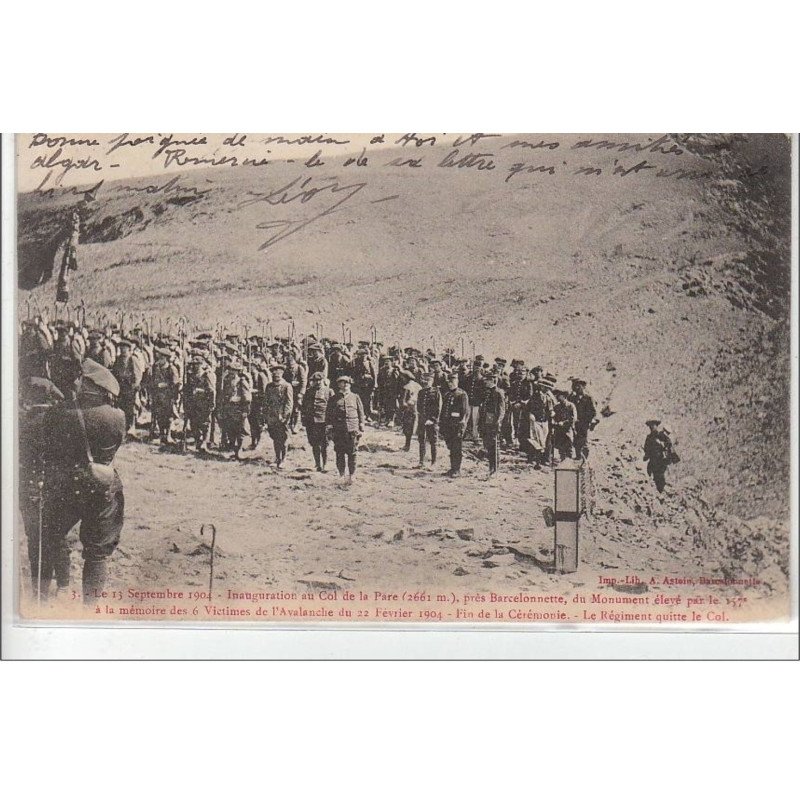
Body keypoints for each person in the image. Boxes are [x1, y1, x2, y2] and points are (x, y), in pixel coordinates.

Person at [39, 359, 127, 603]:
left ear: (89, 386)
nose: (76, 382)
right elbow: (116, 445)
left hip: (66, 485)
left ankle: (60, 589)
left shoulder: (58, 413)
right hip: (102, 485)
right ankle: (91, 609)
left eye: (81, 379)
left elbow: (49, 449)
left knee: (54, 534)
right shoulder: (117, 416)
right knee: (97, 552)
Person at [325, 375, 365, 483]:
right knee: (340, 453)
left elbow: (361, 412)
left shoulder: (355, 397)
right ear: (339, 385)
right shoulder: (334, 399)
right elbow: (328, 414)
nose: (346, 384)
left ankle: (352, 474)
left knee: (352, 452)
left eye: (348, 383)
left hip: (352, 429)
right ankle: (341, 474)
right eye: (343, 382)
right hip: (339, 429)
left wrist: (361, 424)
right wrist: (329, 426)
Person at [263, 364, 294, 469]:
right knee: (275, 438)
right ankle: (277, 458)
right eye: (274, 373)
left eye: (279, 373)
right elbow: (266, 402)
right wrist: (266, 415)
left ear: (282, 373)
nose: (276, 375)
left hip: (282, 416)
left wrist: (285, 416)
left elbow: (289, 403)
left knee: (283, 438)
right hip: (272, 416)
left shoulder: (287, 386)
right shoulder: (269, 386)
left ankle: (283, 459)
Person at [301, 372, 333, 472]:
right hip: (311, 421)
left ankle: (325, 464)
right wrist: (304, 419)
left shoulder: (329, 391)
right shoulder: (309, 391)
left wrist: (331, 422)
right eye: (315, 381)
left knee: (324, 444)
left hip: (324, 421)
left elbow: (333, 408)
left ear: (323, 380)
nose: (318, 382)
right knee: (314, 443)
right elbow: (304, 407)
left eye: (319, 380)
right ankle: (317, 464)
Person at [439, 372, 469, 477]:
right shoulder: (447, 394)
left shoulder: (462, 394)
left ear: (457, 381)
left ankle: (457, 469)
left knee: (457, 448)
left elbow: (465, 411)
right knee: (451, 447)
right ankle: (452, 468)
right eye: (449, 382)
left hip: (457, 425)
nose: (451, 384)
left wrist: (462, 423)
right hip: (448, 425)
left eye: (453, 381)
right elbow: (443, 410)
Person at [186, 354, 216, 452]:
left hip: (204, 403)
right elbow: (188, 389)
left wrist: (211, 404)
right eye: (193, 364)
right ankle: (197, 441)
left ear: (201, 364)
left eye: (196, 364)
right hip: (193, 403)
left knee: (205, 424)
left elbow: (211, 391)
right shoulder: (191, 375)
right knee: (194, 423)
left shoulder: (206, 375)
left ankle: (204, 442)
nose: (194, 366)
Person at [150, 346, 181, 445]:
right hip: (158, 396)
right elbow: (152, 380)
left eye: (162, 358)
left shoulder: (171, 369)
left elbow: (176, 383)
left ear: (167, 358)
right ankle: (162, 435)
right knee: (159, 416)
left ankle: (168, 435)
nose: (160, 360)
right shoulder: (156, 367)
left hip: (168, 397)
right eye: (159, 358)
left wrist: (166, 385)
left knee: (168, 417)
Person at [112, 339, 143, 434]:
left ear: (129, 349)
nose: (122, 350)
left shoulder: (133, 359)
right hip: (121, 387)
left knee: (131, 408)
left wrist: (134, 387)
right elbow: (115, 373)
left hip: (130, 387)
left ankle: (132, 426)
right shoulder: (118, 359)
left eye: (124, 348)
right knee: (121, 407)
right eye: (121, 348)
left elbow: (138, 375)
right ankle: (123, 426)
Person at [523, 379, 555, 468]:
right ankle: (535, 460)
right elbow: (528, 408)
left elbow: (550, 409)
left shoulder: (548, 398)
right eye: (546, 388)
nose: (548, 390)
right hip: (535, 421)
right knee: (536, 440)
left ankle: (541, 460)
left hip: (544, 421)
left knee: (543, 441)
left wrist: (552, 414)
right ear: (542, 387)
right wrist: (530, 415)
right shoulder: (535, 396)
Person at [479, 372, 506, 476]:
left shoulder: (498, 393)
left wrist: (498, 422)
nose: (485, 382)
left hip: (493, 420)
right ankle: (491, 467)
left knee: (494, 445)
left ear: (493, 381)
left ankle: (494, 468)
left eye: (487, 380)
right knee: (488, 443)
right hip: (486, 420)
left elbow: (501, 409)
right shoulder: (487, 392)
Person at [416, 372, 442, 468]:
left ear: (432, 381)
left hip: (432, 421)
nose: (427, 382)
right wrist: (422, 418)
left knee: (433, 441)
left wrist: (432, 419)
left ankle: (433, 462)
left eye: (429, 380)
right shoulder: (421, 392)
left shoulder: (436, 392)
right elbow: (419, 406)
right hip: (422, 420)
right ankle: (421, 462)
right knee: (421, 440)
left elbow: (438, 408)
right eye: (425, 380)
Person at [643, 419, 675, 493]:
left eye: (653, 425)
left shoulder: (661, 436)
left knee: (659, 478)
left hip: (660, 461)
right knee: (652, 477)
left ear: (656, 426)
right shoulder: (649, 437)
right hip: (653, 461)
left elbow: (668, 445)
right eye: (650, 426)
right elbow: (646, 448)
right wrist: (647, 455)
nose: (652, 427)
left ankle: (661, 492)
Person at [569, 379, 598, 459]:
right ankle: (578, 457)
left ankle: (585, 458)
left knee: (583, 441)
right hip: (575, 423)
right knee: (575, 440)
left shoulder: (588, 398)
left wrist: (589, 421)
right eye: (575, 386)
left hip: (584, 423)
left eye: (579, 386)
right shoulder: (572, 398)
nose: (577, 388)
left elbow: (593, 412)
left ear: (583, 387)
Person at [284, 350, 307, 434]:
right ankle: (290, 424)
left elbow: (304, 381)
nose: (290, 365)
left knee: (297, 409)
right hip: (289, 391)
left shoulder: (299, 368)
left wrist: (301, 393)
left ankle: (297, 424)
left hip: (297, 392)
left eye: (291, 362)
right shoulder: (286, 369)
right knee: (290, 407)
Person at [552, 389, 578, 462]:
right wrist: (555, 422)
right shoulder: (556, 406)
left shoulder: (571, 405)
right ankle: (563, 460)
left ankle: (569, 462)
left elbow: (573, 418)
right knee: (561, 447)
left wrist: (564, 422)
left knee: (569, 445)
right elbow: (554, 416)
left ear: (564, 396)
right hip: (559, 430)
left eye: (559, 395)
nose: (557, 397)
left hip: (568, 429)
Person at [399, 370, 421, 451]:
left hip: (409, 409)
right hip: (417, 409)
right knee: (413, 426)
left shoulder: (406, 387)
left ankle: (407, 445)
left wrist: (402, 407)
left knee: (407, 428)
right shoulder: (418, 385)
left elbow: (403, 400)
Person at [352, 348, 377, 420]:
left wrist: (375, 384)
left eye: (364, 355)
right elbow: (354, 373)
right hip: (359, 384)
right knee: (360, 400)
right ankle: (361, 415)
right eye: (361, 355)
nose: (363, 357)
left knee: (368, 400)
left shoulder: (369, 363)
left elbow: (374, 374)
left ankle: (368, 415)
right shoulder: (356, 363)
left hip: (368, 385)